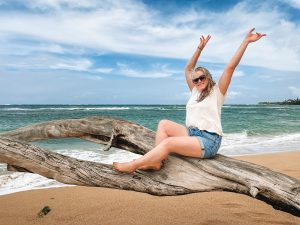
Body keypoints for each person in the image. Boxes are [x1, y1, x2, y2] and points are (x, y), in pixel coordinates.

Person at [113, 28, 266, 173]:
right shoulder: (194, 91)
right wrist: (199, 49)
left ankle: (133, 165)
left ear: (208, 77)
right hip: (192, 134)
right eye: (196, 80)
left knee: (168, 143)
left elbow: (230, 67)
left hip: (209, 141)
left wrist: (246, 42)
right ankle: (156, 161)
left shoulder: (217, 92)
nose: (198, 81)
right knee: (163, 124)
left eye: (201, 78)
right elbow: (187, 69)